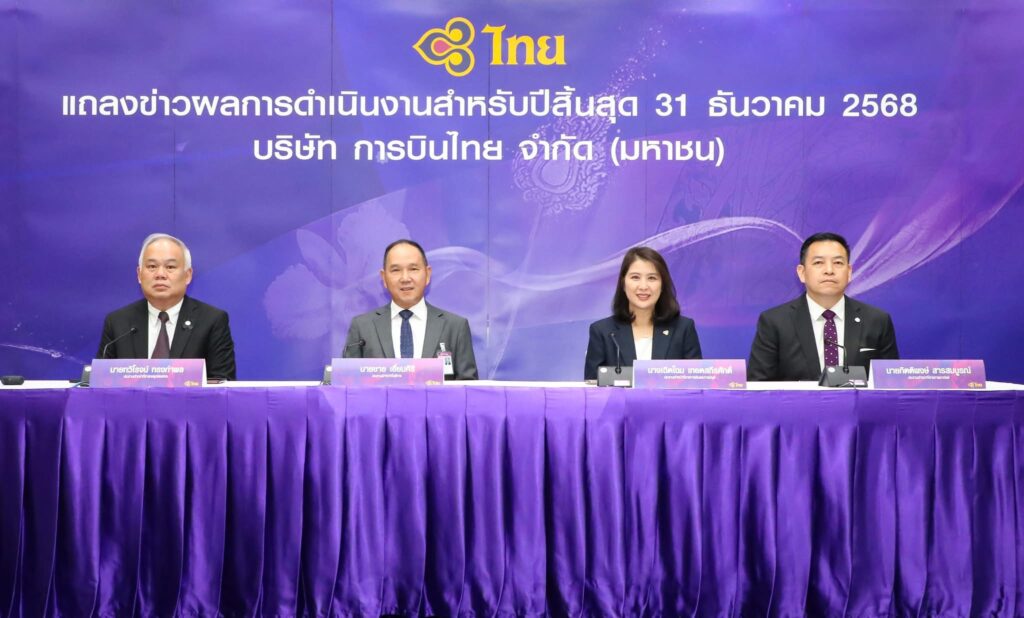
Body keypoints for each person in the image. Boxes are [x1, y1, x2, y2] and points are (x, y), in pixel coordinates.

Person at [747, 231, 899, 381]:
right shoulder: (775, 322)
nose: (829, 270)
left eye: (838, 263)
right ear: (802, 273)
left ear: (849, 272)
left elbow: (891, 384)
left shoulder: (876, 321)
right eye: (818, 263)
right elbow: (758, 385)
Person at [96, 233, 237, 381]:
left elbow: (223, 384)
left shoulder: (212, 321)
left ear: (188, 275)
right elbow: (101, 382)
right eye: (152, 266)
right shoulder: (118, 323)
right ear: (139, 274)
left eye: (170, 267)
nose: (160, 274)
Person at [343, 239, 478, 380]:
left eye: (413, 269)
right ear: (384, 277)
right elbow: (348, 384)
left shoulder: (455, 327)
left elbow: (467, 386)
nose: (405, 278)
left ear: (428, 274)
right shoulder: (362, 327)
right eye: (396, 270)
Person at [584, 246, 702, 380]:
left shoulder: (683, 329)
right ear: (623, 283)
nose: (643, 286)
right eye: (635, 277)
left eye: (652, 278)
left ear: (662, 285)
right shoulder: (602, 331)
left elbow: (695, 383)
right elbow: (593, 386)